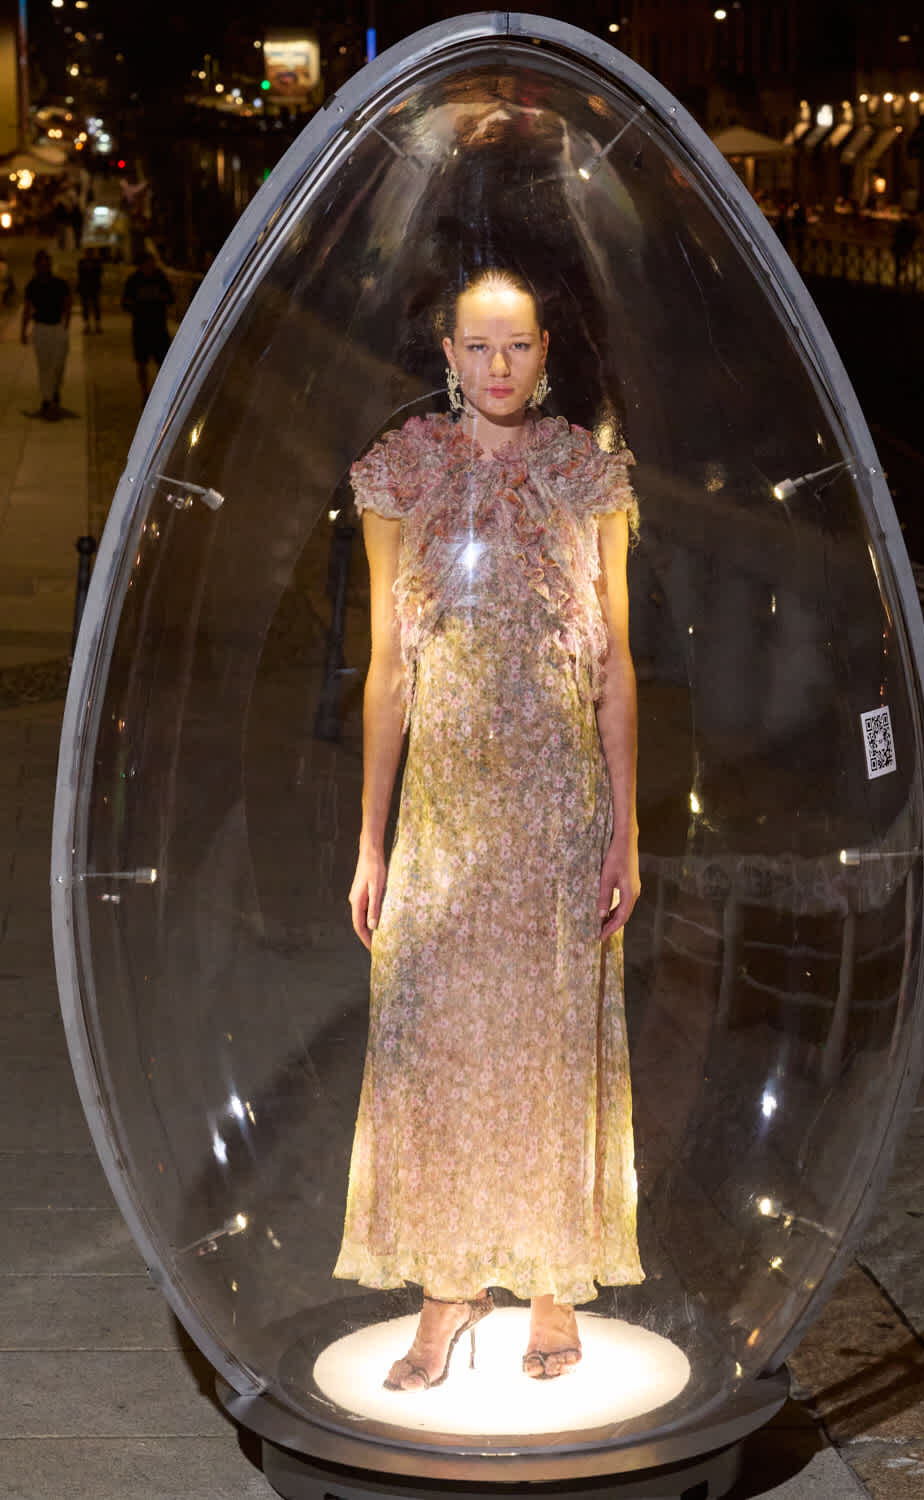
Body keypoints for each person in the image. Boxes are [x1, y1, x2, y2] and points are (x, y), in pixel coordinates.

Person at [333, 266, 644, 1390]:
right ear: (448, 352)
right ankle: (444, 1287)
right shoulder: (400, 476)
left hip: (557, 807)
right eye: (479, 346)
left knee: (551, 1038)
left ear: (547, 350)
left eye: (517, 346)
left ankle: (552, 1280)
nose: (498, 366)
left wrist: (627, 831)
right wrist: (371, 839)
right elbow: (384, 672)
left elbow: (615, 670)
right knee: (432, 1040)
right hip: (447, 810)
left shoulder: (585, 474)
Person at [20, 249, 71, 420]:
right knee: (44, 365)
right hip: (41, 328)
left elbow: (67, 302)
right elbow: (27, 309)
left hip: (57, 327)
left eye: (46, 263)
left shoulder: (59, 283)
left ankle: (54, 392)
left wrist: (66, 324)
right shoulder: (32, 285)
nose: (44, 266)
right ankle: (47, 399)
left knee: (58, 365)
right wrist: (23, 331)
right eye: (41, 263)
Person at [121, 251, 174, 400]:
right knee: (142, 363)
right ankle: (145, 393)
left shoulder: (160, 277)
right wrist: (137, 302)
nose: (150, 266)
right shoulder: (133, 280)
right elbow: (125, 302)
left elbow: (171, 298)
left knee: (163, 363)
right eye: (147, 263)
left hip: (159, 327)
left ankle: (162, 393)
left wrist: (159, 297)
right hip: (141, 327)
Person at [78, 247, 103, 334]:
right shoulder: (81, 262)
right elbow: (80, 275)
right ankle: (87, 325)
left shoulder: (97, 262)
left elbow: (99, 273)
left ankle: (97, 325)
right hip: (85, 288)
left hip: (94, 287)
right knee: (85, 307)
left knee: (96, 306)